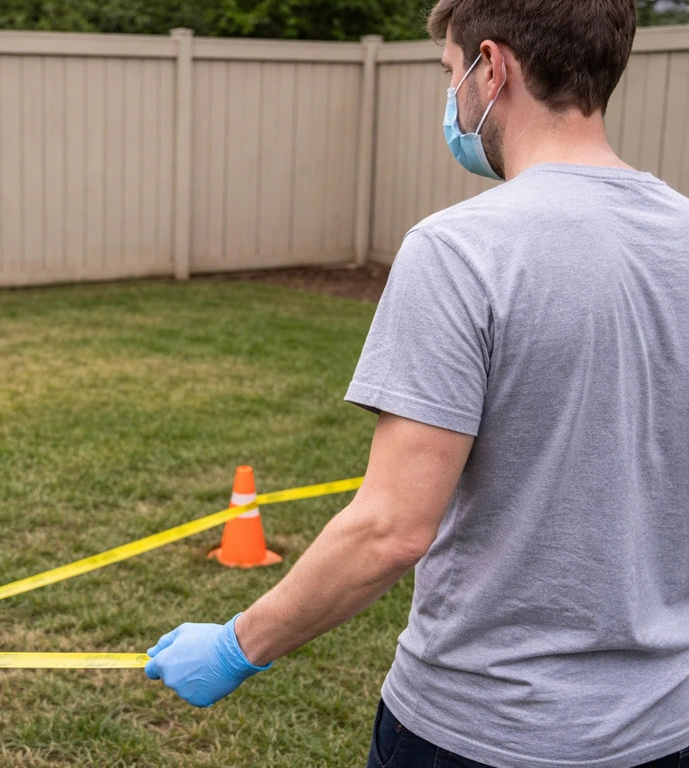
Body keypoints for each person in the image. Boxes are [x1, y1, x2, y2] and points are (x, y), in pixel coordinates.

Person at [144, 0, 689, 765]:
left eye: (451, 72)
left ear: (492, 68)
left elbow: (392, 529)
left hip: (476, 732)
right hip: (666, 731)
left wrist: (238, 645)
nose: (453, 98)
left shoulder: (462, 251)